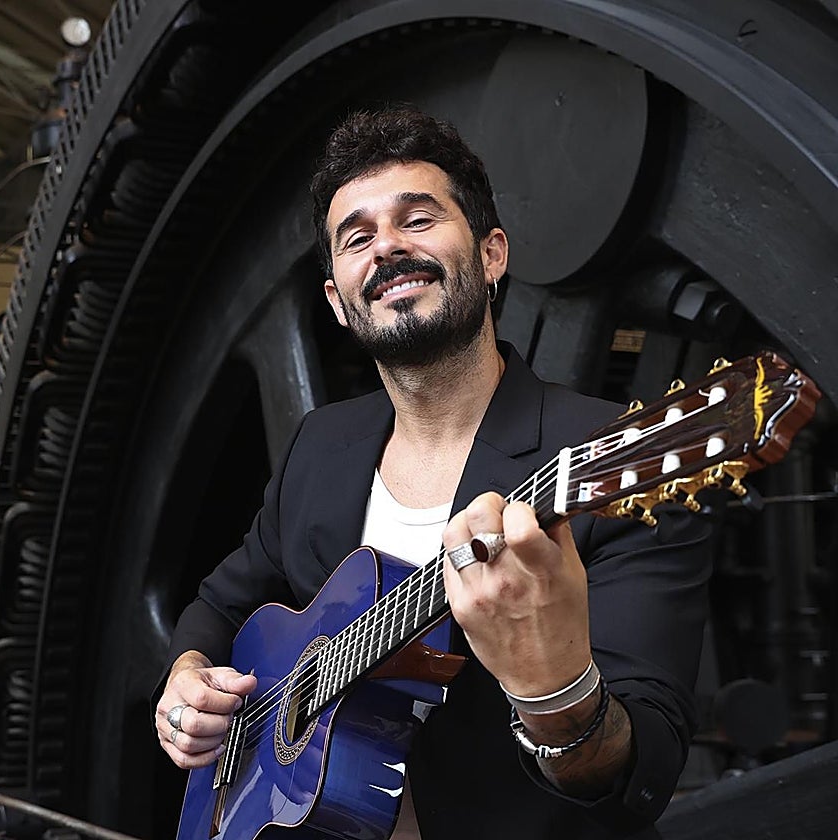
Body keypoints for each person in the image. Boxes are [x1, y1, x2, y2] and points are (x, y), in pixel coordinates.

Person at [154, 105, 712, 838]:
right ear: (338, 301)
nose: (385, 247)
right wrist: (187, 677)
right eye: (357, 237)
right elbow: (221, 605)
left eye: (417, 219)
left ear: (491, 255)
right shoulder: (321, 446)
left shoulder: (604, 457)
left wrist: (555, 692)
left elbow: (640, 772)